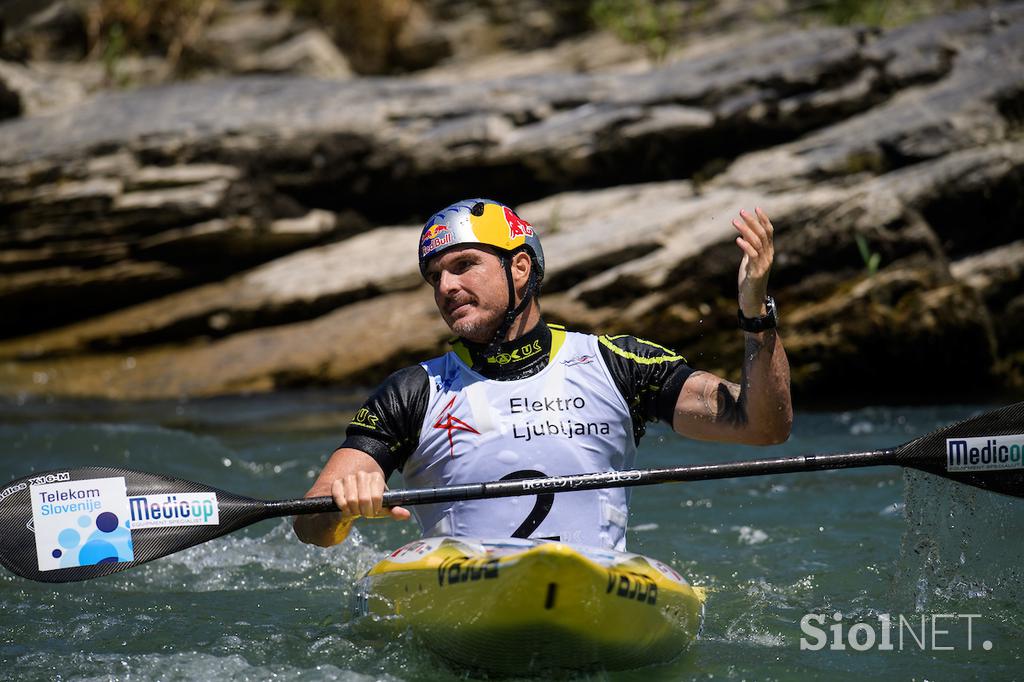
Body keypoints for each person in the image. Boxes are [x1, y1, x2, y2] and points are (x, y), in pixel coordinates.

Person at [293, 198, 791, 550]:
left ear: (521, 269)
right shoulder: (413, 391)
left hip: (596, 590)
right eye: (435, 277)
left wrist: (756, 313)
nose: (446, 286)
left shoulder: (616, 364)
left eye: (464, 265)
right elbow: (309, 525)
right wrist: (339, 506)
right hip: (461, 601)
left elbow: (762, 426)